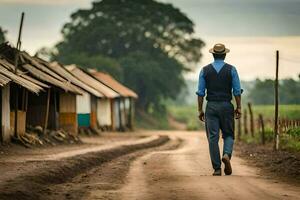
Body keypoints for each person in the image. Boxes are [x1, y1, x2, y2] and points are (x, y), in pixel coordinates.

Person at [196, 43, 242, 176]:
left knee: (213, 138)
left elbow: (200, 93)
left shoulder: (204, 70)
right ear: (225, 54)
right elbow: (237, 91)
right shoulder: (232, 70)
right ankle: (226, 155)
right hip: (227, 106)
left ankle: (217, 168)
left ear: (213, 54)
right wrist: (238, 107)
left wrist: (200, 110)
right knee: (228, 134)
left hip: (211, 106)